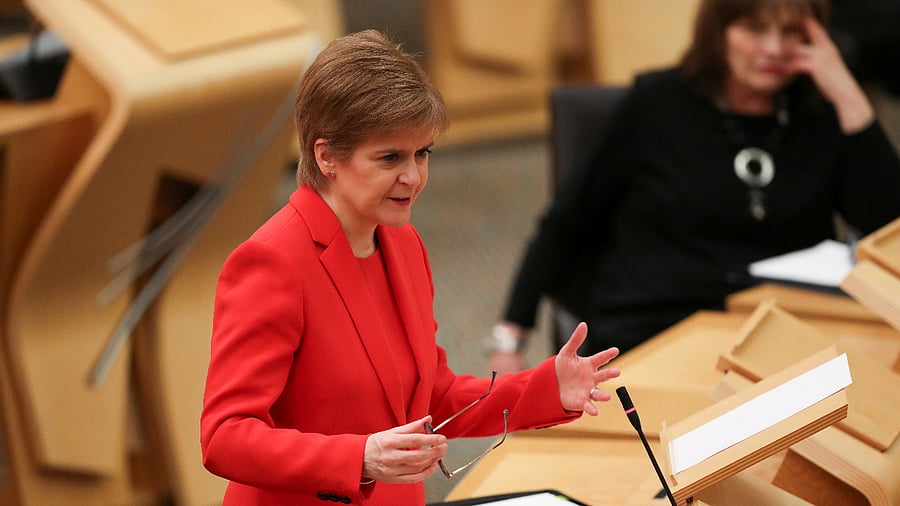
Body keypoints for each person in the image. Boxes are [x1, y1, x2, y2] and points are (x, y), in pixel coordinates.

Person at [199, 29, 621, 506]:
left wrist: (546, 389)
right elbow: (224, 435)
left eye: (422, 153)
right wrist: (358, 458)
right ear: (326, 156)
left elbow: (430, 396)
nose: (414, 177)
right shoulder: (272, 263)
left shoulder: (402, 242)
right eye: (390, 158)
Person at [488, 0, 900, 373]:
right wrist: (510, 337)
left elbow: (888, 228)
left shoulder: (821, 110)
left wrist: (846, 91)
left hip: (783, 331)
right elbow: (566, 222)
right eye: (755, 28)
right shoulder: (655, 103)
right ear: (718, 31)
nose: (774, 48)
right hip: (658, 327)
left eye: (791, 31)